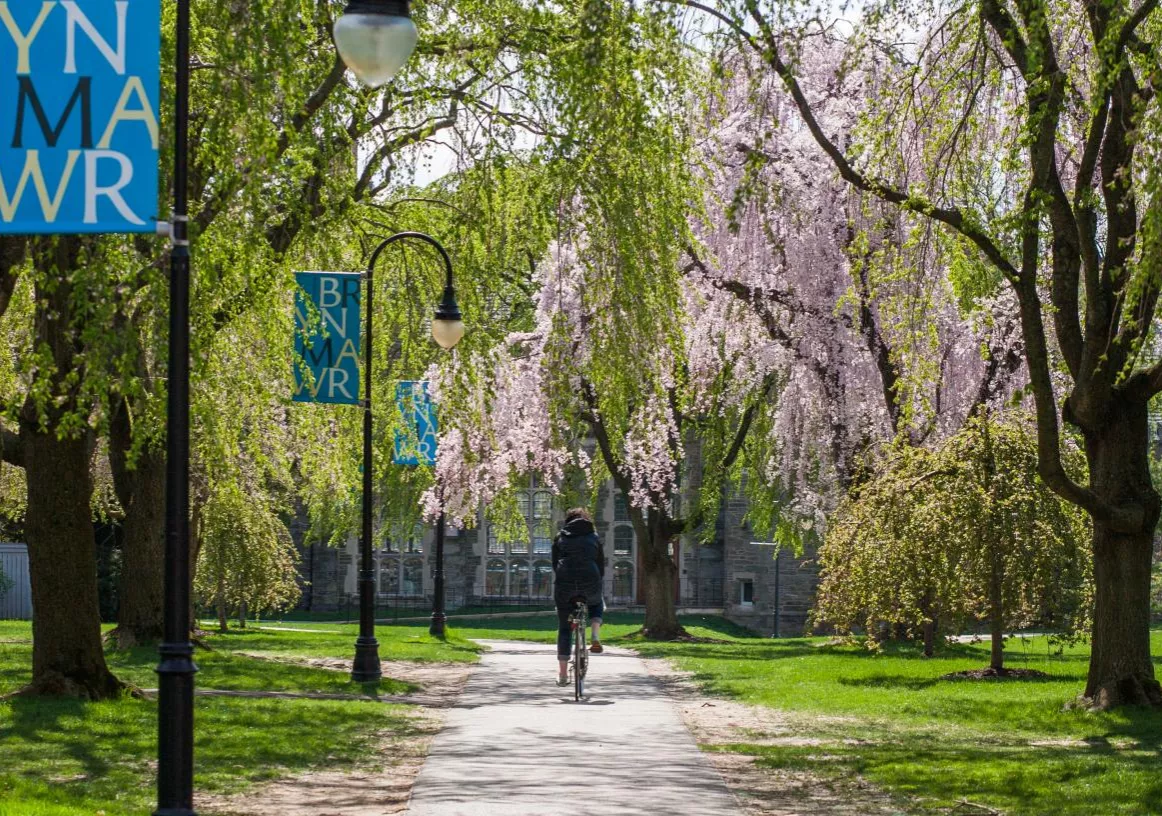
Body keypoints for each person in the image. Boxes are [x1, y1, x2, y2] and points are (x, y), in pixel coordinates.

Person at [552, 507, 605, 686]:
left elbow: (554, 563)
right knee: (597, 602)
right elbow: (601, 565)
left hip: (565, 583)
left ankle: (563, 674)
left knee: (565, 628)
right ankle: (595, 636)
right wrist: (598, 581)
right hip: (590, 579)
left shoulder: (560, 537)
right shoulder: (594, 538)